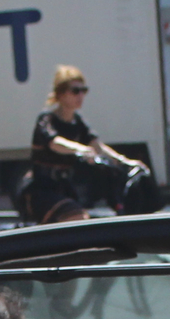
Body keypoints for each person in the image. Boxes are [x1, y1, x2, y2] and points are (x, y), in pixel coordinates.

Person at [28, 65, 147, 222]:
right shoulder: (47, 119)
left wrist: (125, 162)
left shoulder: (78, 121)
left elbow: (97, 146)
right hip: (42, 190)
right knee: (76, 217)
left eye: (84, 90)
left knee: (86, 218)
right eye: (75, 91)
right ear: (61, 94)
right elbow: (54, 142)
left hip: (64, 188)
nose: (81, 95)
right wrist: (81, 149)